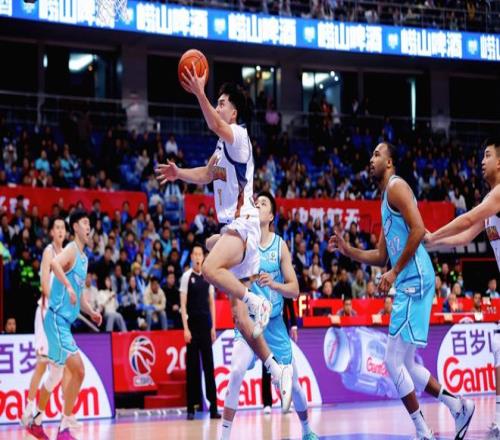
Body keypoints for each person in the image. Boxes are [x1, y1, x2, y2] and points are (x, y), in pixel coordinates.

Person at [156, 77, 291, 407]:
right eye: (215, 102)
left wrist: (199, 93)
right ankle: (276, 369)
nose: (217, 108)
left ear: (233, 113)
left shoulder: (239, 137)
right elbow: (206, 174)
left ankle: (257, 301)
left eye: (222, 103)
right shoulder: (221, 148)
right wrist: (178, 174)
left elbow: (215, 123)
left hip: (244, 224)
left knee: (209, 267)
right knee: (240, 320)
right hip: (233, 227)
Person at [329, 142, 474, 440]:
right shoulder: (385, 200)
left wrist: (394, 273)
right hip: (411, 280)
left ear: (390, 162)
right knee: (405, 363)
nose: (371, 159)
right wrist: (347, 250)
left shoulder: (396, 187)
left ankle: (423, 430)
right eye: (371, 155)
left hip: (414, 280)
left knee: (391, 362)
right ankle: (458, 406)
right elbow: (381, 256)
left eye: (377, 155)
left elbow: (419, 229)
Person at [218, 192, 318, 440]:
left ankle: (307, 431)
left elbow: (294, 290)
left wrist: (274, 284)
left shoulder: (279, 245)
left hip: (274, 324)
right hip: (249, 322)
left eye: (264, 204)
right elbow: (214, 243)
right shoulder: (243, 241)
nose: (259, 206)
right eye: (257, 203)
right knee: (236, 372)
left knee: (293, 385)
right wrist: (223, 236)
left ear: (271, 215)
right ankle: (224, 437)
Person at [425, 138, 500, 436]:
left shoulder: (498, 195)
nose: (482, 161)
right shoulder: (491, 201)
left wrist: (433, 234)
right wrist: (433, 245)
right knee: (498, 350)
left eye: (487, 155)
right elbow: (466, 235)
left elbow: (467, 218)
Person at [26, 210, 102, 440]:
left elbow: (79, 296)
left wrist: (91, 312)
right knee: (79, 370)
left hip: (64, 323)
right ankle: (64, 426)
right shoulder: (70, 249)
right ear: (75, 227)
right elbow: (55, 264)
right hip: (55, 320)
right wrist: (67, 286)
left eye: (90, 224)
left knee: (56, 376)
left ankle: (36, 421)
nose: (89, 227)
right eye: (85, 223)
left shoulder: (84, 258)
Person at [21, 217, 79, 430]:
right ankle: (28, 409)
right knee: (42, 363)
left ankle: (63, 414)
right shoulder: (48, 252)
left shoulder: (67, 256)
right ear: (52, 232)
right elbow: (45, 284)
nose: (61, 231)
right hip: (46, 313)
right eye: (57, 228)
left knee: (61, 368)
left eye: (63, 227)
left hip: (58, 317)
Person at [180, 244, 220, 420]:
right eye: (195, 254)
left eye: (200, 254)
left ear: (203, 257)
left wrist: (213, 327)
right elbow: (182, 305)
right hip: (192, 328)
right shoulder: (186, 277)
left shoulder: (208, 276)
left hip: (205, 327)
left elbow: (212, 303)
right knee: (192, 369)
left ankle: (213, 408)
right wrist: (186, 329)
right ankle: (191, 408)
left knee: (209, 368)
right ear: (191, 257)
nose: (197, 257)